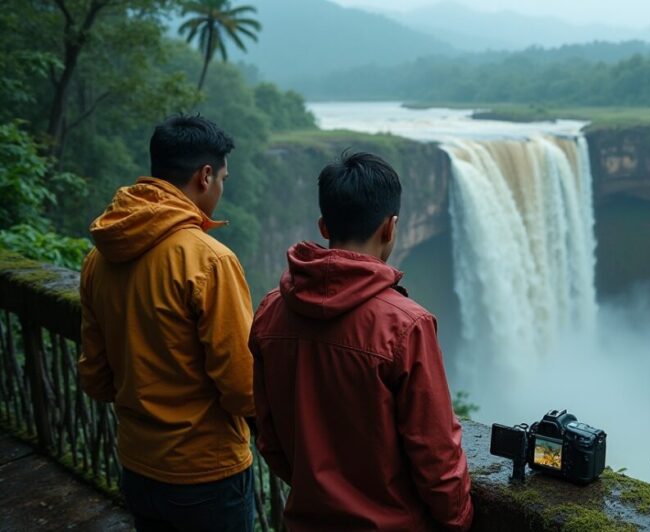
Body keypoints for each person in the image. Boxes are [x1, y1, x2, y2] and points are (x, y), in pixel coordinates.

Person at [250, 152, 473, 531]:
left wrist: (318, 487)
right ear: (390, 227)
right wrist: (460, 520)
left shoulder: (270, 312)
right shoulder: (406, 325)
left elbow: (267, 435)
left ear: (324, 225)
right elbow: (435, 454)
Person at [78, 115, 256, 531]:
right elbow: (242, 387)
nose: (221, 189)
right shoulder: (209, 259)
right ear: (205, 176)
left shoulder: (98, 259)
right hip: (207, 473)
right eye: (223, 178)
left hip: (138, 466)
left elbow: (96, 379)